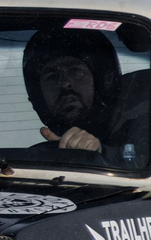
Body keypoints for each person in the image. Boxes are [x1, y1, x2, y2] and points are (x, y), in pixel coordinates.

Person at [21, 26, 123, 159]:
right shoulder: (29, 163)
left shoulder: (145, 135)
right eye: (52, 77)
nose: (64, 84)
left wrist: (100, 155)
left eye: (76, 72)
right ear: (38, 97)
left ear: (101, 83)